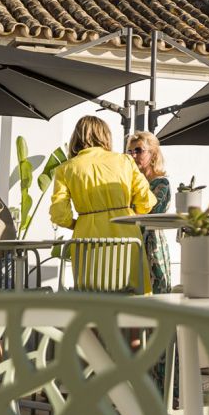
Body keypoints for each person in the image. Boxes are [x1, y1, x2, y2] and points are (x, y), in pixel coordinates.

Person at [50, 116, 155, 288]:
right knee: (133, 294)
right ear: (105, 135)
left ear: (76, 137)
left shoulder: (65, 169)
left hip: (86, 239)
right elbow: (146, 200)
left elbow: (59, 214)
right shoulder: (125, 161)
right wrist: (128, 212)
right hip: (126, 235)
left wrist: (79, 224)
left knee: (93, 297)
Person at [126, 131, 173, 294]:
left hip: (152, 244)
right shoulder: (129, 184)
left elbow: (152, 213)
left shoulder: (162, 183)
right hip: (132, 241)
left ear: (153, 154)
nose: (133, 155)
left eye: (139, 150)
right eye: (130, 151)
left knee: (156, 295)